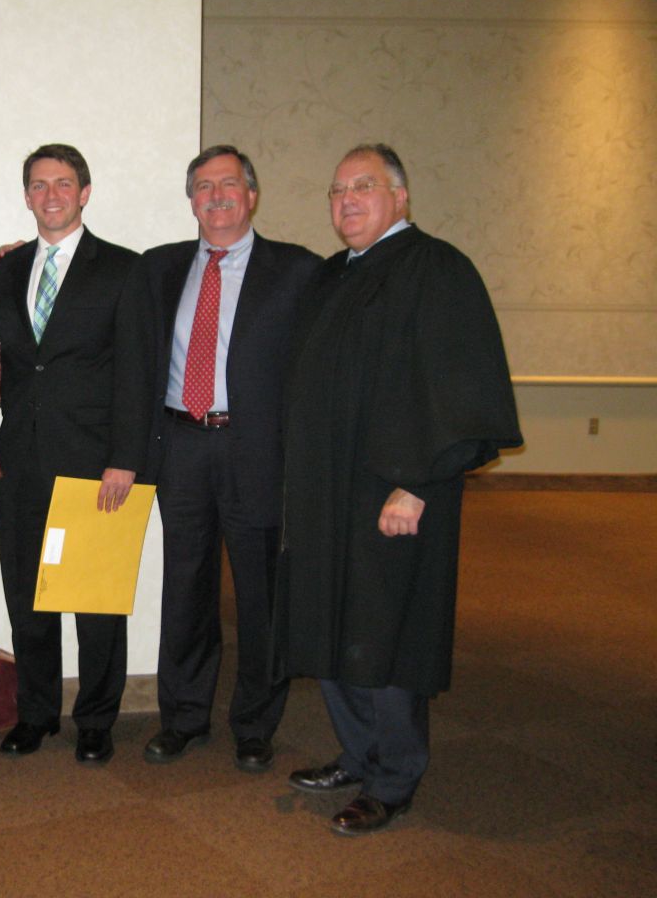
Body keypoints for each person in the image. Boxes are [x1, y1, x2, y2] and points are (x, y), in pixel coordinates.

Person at [277, 143, 522, 835]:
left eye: (363, 186)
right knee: (334, 626)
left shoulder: (437, 270)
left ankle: (394, 776)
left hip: (395, 495)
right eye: (336, 190)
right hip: (329, 495)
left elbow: (458, 386)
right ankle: (358, 753)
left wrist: (416, 486)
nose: (346, 200)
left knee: (388, 636)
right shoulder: (333, 276)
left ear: (400, 196)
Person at [128, 145, 320, 770]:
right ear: (191, 201)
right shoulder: (158, 269)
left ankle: (255, 725)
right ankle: (182, 718)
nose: (216, 196)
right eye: (203, 187)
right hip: (181, 444)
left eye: (228, 184)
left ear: (252, 195)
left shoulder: (297, 272)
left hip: (257, 450)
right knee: (185, 588)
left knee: (262, 594)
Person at [0, 143, 148, 765]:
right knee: (27, 594)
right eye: (38, 184)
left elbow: (139, 368)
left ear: (84, 192)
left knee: (94, 599)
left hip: (96, 461)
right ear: (26, 196)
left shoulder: (124, 270)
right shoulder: (3, 270)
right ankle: (36, 713)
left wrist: (126, 457)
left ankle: (97, 719)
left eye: (63, 183)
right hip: (20, 459)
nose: (50, 194)